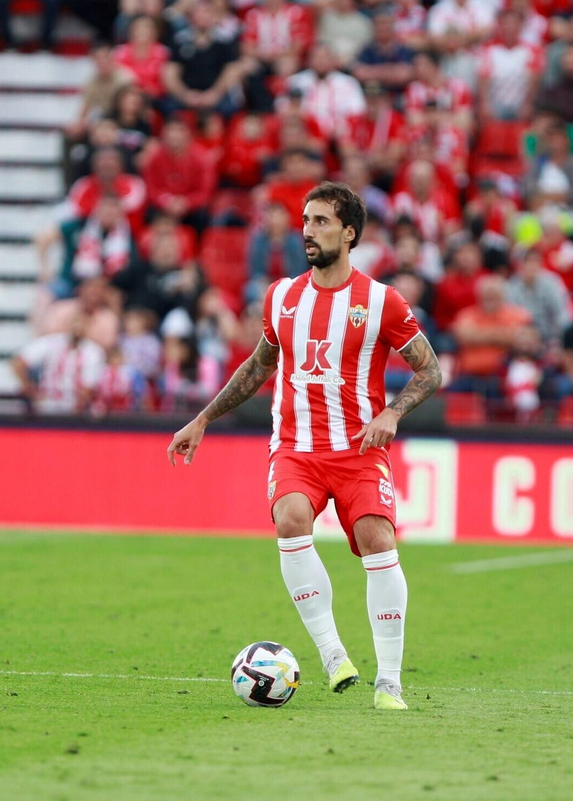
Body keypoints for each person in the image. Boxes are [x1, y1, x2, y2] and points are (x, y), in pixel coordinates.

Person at [165, 183, 443, 712]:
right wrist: (203, 419)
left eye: (319, 221)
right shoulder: (282, 296)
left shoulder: (382, 301)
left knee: (377, 537)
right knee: (290, 518)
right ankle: (334, 654)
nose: (307, 231)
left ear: (349, 232)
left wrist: (393, 411)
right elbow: (258, 367)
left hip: (360, 449)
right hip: (297, 446)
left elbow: (431, 370)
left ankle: (389, 682)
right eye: (305, 220)